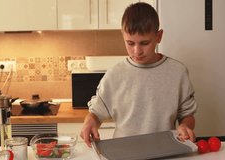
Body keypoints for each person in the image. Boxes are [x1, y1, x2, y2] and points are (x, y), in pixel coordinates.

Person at [80, 2, 197, 147]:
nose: (137, 51)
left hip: (165, 151)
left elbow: (187, 115)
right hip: (124, 152)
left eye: (144, 43)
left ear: (159, 36)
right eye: (130, 43)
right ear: (122, 36)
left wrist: (185, 126)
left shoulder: (178, 72)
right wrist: (89, 122)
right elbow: (96, 113)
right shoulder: (114, 75)